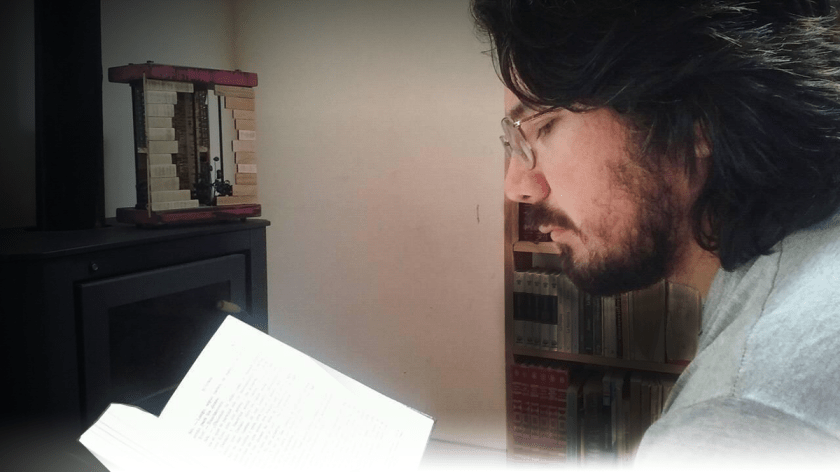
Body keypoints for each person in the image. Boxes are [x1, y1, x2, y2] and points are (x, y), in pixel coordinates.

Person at [472, 0, 840, 467]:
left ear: (697, 118)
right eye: (513, 141)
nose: (517, 187)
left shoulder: (735, 421)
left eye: (543, 126)